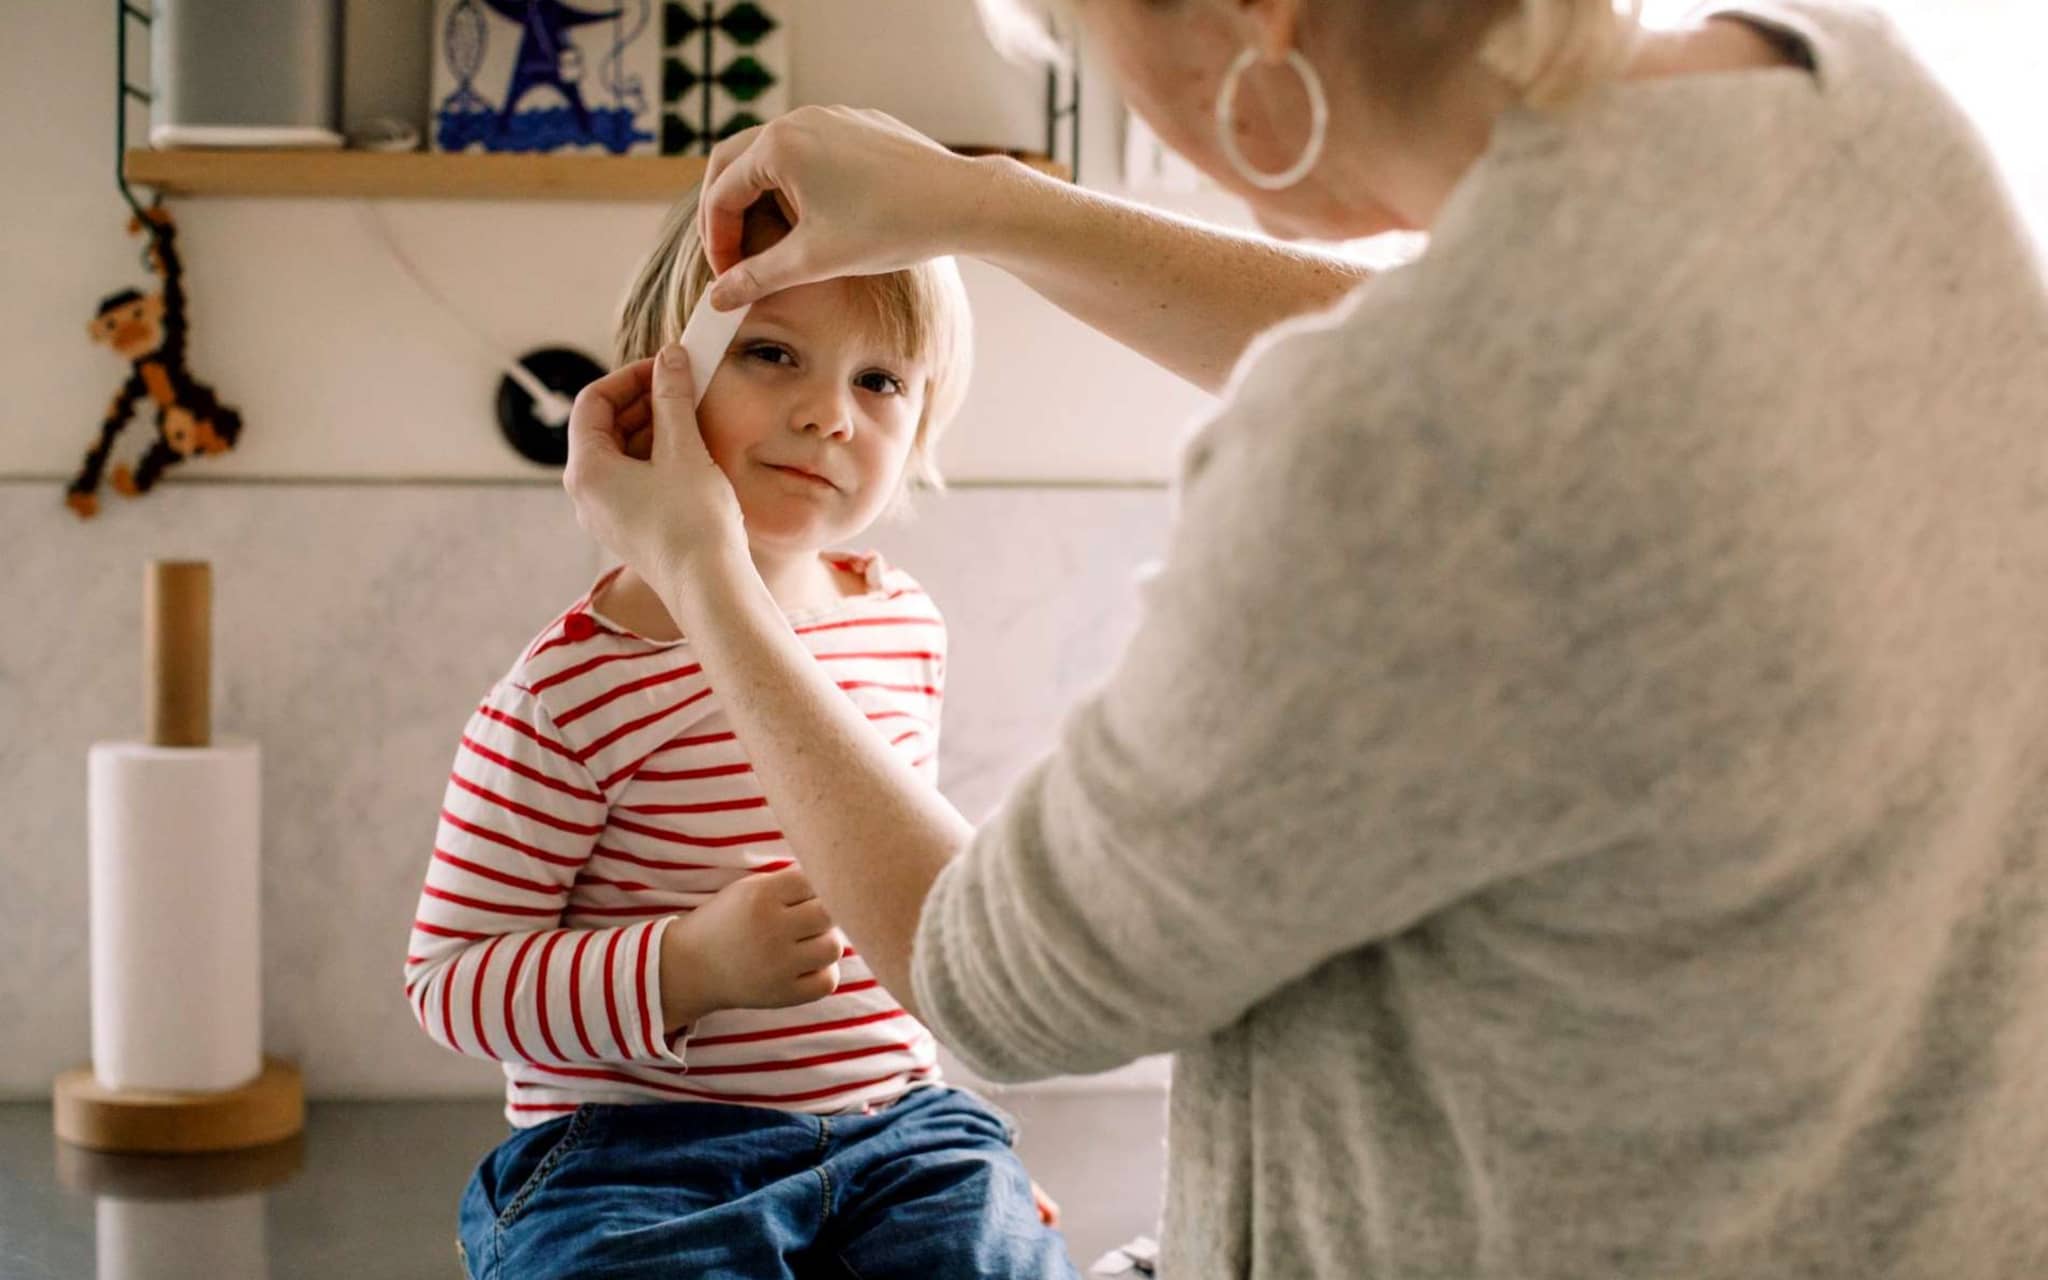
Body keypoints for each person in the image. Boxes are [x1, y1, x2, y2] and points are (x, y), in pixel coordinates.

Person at [561, 0, 2048, 1275]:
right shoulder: (1865, 105)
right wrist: (989, 207)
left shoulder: (1385, 459)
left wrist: (704, 577)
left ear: (1254, 18)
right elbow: (1512, 349)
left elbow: (995, 983)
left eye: (1075, 28)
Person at [405, 184, 1078, 1279]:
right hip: (633, 1157)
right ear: (652, 381)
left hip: (893, 1132)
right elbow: (450, 979)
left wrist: (960, 1156)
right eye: (772, 353)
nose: (828, 413)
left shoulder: (900, 623)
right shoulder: (572, 688)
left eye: (879, 380)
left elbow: (905, 914)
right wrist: (688, 965)